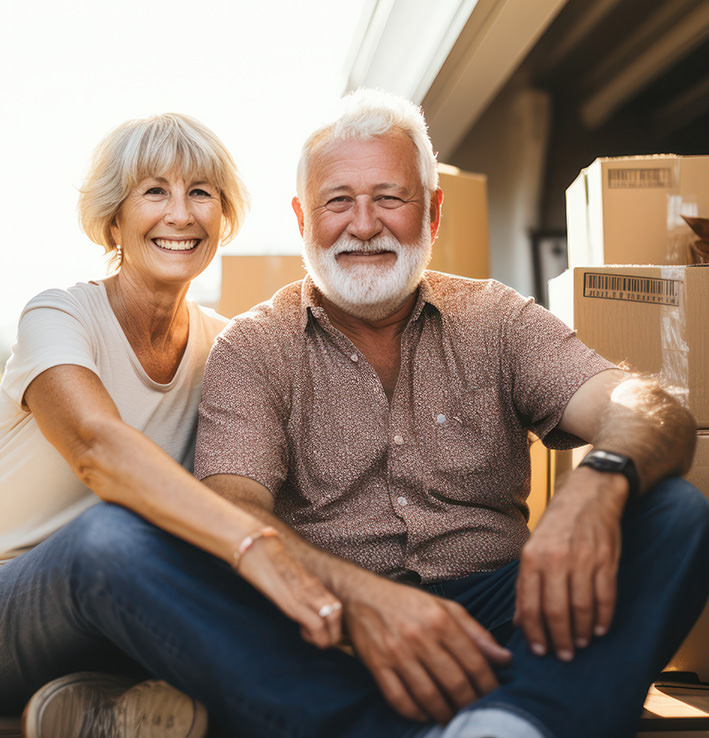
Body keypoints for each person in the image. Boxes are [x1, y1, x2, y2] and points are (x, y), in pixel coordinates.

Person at [194, 89, 709, 738]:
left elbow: (648, 409)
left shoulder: (496, 319)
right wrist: (361, 601)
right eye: (337, 200)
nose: (362, 224)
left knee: (674, 512)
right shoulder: (251, 346)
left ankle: (510, 723)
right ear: (302, 219)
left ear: (432, 213)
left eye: (389, 197)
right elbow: (232, 511)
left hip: (505, 614)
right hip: (336, 626)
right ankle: (516, 711)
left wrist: (595, 488)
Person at [0, 113, 343, 737]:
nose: (181, 214)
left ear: (222, 217)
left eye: (201, 193)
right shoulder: (57, 316)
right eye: (154, 191)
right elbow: (96, 450)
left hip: (133, 605)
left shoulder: (227, 347)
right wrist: (254, 547)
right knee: (112, 534)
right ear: (114, 219)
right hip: (17, 602)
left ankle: (105, 703)